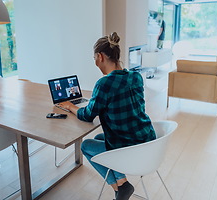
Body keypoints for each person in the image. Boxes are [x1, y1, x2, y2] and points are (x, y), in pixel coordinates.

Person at [58, 32, 156, 200]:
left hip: (130, 149)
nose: (95, 62)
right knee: (98, 136)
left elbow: (87, 115)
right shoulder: (135, 77)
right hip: (148, 141)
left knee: (86, 145)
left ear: (101, 57)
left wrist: (71, 106)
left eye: (94, 58)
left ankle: (121, 187)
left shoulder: (104, 84)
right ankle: (121, 186)